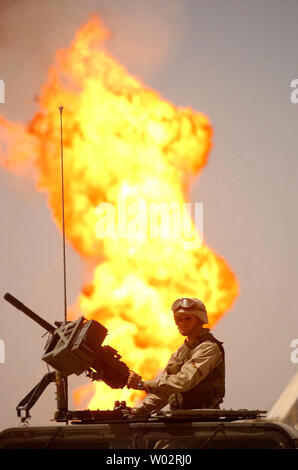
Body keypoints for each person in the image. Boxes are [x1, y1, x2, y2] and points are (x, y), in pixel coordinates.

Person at [126, 297, 225, 417]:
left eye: (188, 318)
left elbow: (183, 381)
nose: (182, 323)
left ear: (199, 320)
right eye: (178, 319)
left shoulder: (209, 348)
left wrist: (143, 385)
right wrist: (139, 410)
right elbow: (165, 391)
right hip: (180, 419)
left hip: (203, 421)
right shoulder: (181, 351)